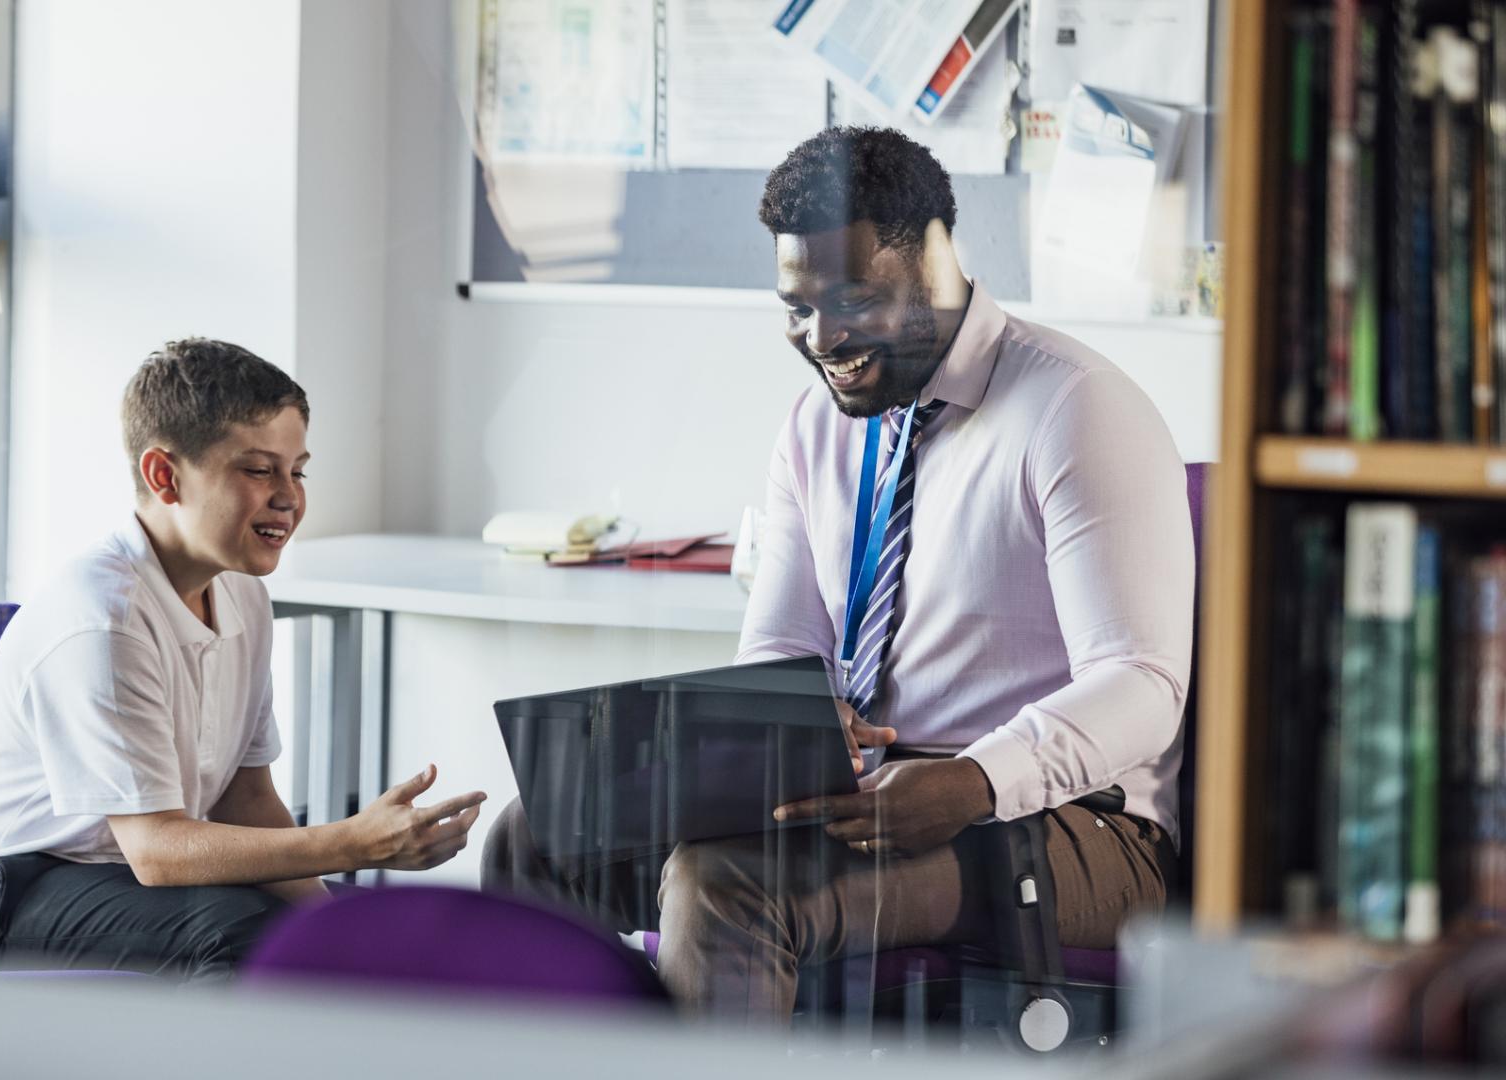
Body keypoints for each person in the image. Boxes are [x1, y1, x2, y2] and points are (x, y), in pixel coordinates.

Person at [483, 127, 1192, 1023]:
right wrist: (797, 724)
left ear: (936, 257)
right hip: (859, 796)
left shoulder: (1073, 408)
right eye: (797, 307)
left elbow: (1142, 684)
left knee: (723, 883)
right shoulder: (816, 428)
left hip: (1072, 824)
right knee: (534, 837)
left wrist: (974, 780)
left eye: (854, 299)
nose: (822, 338)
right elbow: (780, 650)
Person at [0, 338, 485, 977]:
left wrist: (343, 932)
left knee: (374, 932)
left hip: (121, 875)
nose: (289, 497)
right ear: (165, 476)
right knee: (247, 938)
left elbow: (246, 801)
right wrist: (351, 843)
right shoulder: (104, 618)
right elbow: (156, 850)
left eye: (298, 471)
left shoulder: (243, 594)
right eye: (259, 470)